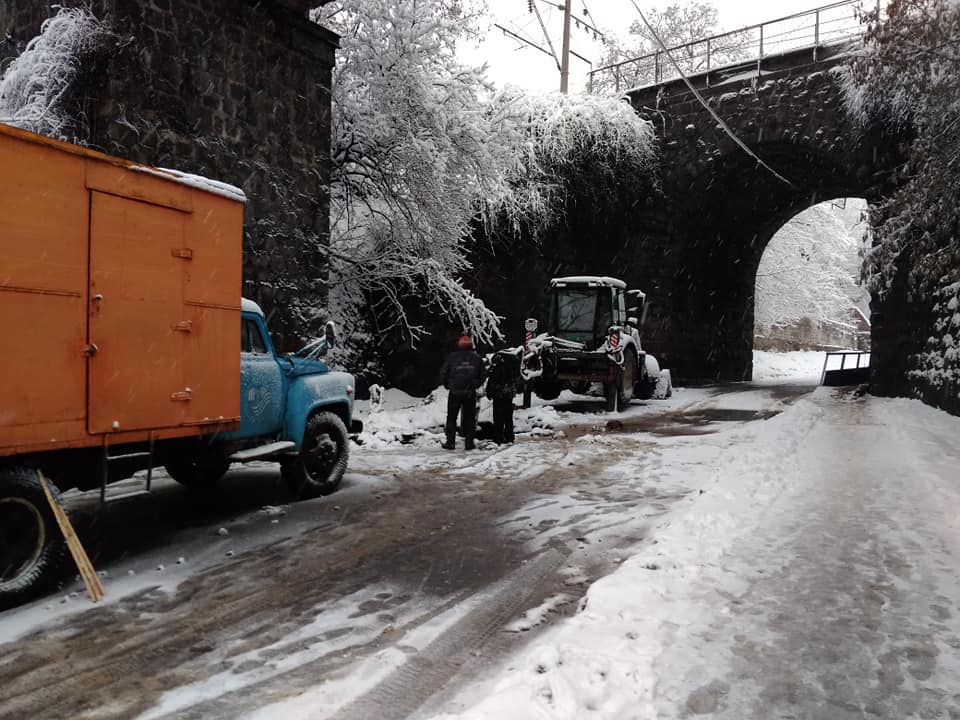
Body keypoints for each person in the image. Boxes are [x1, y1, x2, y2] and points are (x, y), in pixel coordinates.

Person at [439, 335, 485, 450]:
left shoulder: (451, 357)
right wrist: (475, 384)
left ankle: (450, 442)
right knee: (470, 418)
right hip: (470, 392)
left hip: (454, 392)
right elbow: (483, 375)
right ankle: (469, 443)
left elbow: (443, 372)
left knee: (451, 417)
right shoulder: (477, 358)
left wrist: (448, 385)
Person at [485, 349, 521, 444]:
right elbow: (517, 378)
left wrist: (489, 392)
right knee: (508, 416)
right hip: (509, 394)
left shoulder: (497, 365)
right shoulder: (513, 363)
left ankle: (499, 437)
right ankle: (509, 436)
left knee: (498, 417)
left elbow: (491, 379)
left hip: (498, 394)